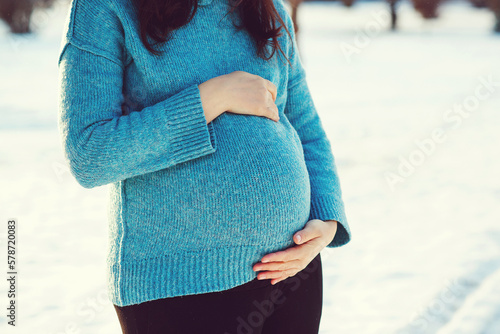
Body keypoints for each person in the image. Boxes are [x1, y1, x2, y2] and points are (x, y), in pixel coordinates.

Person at [57, 0, 352, 332]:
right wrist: (212, 97)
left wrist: (327, 220)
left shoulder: (265, 9)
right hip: (178, 284)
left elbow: (305, 125)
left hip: (292, 270)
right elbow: (90, 151)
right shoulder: (105, 8)